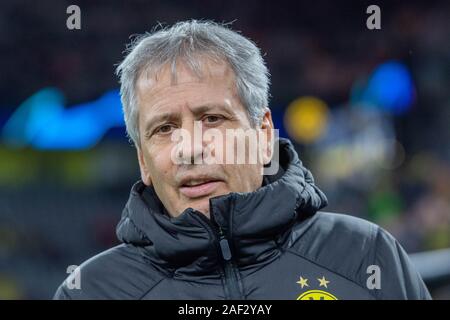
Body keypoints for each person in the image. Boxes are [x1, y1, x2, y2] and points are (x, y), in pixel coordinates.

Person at [54, 20, 430, 300]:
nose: (190, 147)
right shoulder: (90, 292)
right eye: (164, 129)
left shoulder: (365, 255)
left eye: (212, 119)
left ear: (264, 134)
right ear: (143, 161)